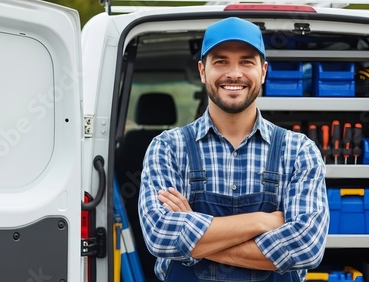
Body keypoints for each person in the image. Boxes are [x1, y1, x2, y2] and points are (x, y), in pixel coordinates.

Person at [138, 17, 329, 282]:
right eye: (221, 61)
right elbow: (160, 235)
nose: (234, 73)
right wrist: (262, 221)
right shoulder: (168, 148)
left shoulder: (299, 151)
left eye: (246, 62)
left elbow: (305, 248)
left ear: (262, 71)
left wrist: (194, 232)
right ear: (203, 71)